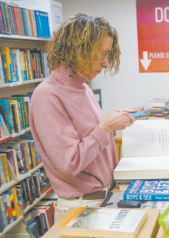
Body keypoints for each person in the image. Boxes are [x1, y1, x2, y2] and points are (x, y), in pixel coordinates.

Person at [29, 13, 136, 221]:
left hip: (104, 197)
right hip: (82, 207)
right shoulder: (47, 95)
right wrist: (105, 127)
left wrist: (113, 125)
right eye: (102, 54)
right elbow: (70, 164)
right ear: (81, 48)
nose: (105, 64)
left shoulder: (83, 88)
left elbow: (90, 142)